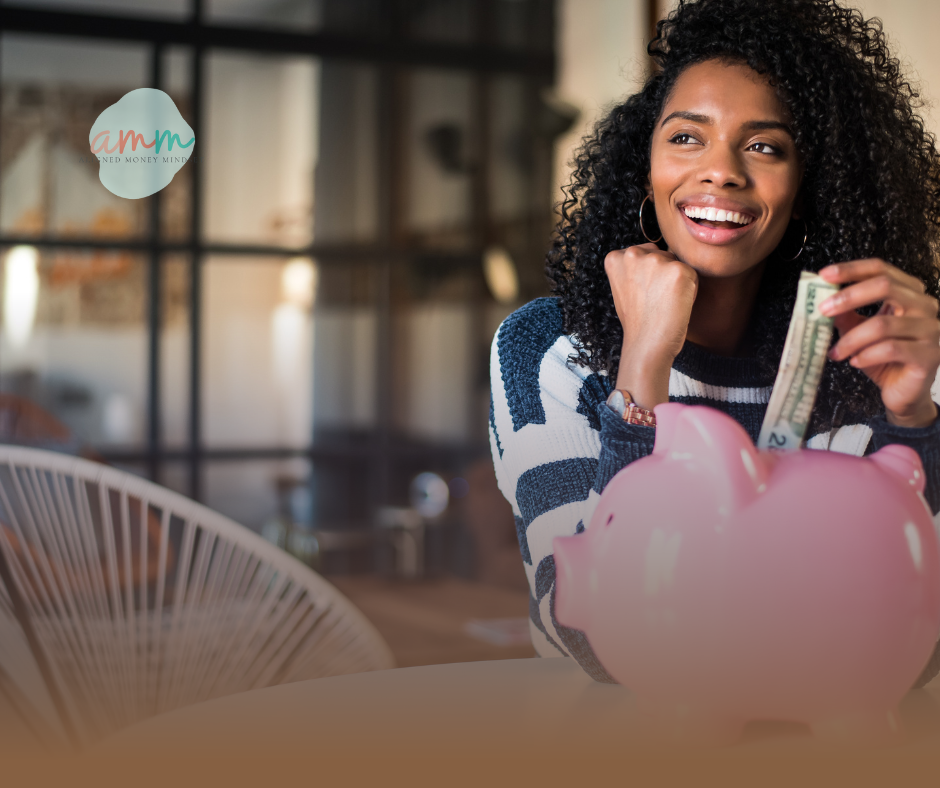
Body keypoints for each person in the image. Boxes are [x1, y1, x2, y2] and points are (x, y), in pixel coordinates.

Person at [489, 0, 940, 684]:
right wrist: (643, 366)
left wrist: (913, 425)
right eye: (686, 137)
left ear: (807, 186)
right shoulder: (549, 347)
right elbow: (589, 637)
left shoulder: (876, 352)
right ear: (644, 167)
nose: (721, 171)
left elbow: (914, 643)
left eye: (765, 145)